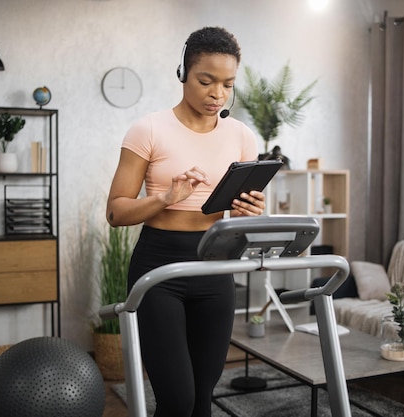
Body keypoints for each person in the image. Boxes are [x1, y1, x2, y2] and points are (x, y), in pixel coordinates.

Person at [106, 27, 265, 417]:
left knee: (201, 400)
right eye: (206, 81)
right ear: (183, 74)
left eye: (228, 84)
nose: (217, 94)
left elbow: (243, 213)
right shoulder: (149, 129)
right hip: (160, 266)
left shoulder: (242, 136)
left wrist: (251, 210)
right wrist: (164, 198)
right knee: (177, 401)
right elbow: (115, 211)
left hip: (215, 266)